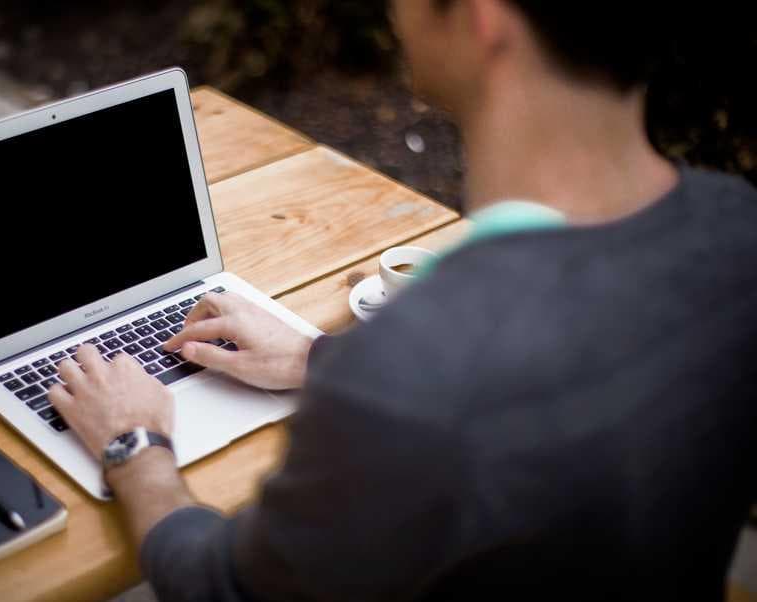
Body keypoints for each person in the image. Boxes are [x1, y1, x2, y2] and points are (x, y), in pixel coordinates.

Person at [47, 0, 757, 599]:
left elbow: (218, 588)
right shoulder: (736, 231)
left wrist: (135, 445)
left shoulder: (420, 368)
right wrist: (318, 358)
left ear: (483, 18)